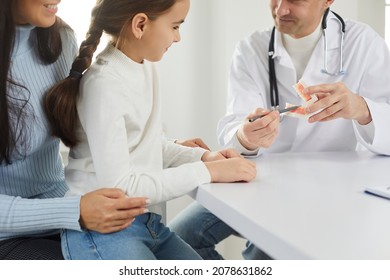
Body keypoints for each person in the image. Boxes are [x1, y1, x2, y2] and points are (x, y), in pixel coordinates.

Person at [169, 0, 390, 260]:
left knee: (263, 253)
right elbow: (235, 128)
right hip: (261, 178)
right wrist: (246, 137)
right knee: (180, 236)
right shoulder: (251, 49)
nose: (281, 9)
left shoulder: (363, 43)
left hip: (334, 186)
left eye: (296, 1)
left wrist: (362, 108)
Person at [44, 0, 256, 260]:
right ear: (140, 24)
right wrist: (208, 172)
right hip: (103, 231)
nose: (178, 38)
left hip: (147, 224)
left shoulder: (144, 67)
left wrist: (203, 157)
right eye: (175, 26)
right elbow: (122, 187)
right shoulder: (104, 86)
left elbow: (147, 144)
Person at [0, 0, 149, 260]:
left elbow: (96, 123)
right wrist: (75, 211)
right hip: (9, 235)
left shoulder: (60, 39)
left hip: (62, 211)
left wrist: (172, 149)